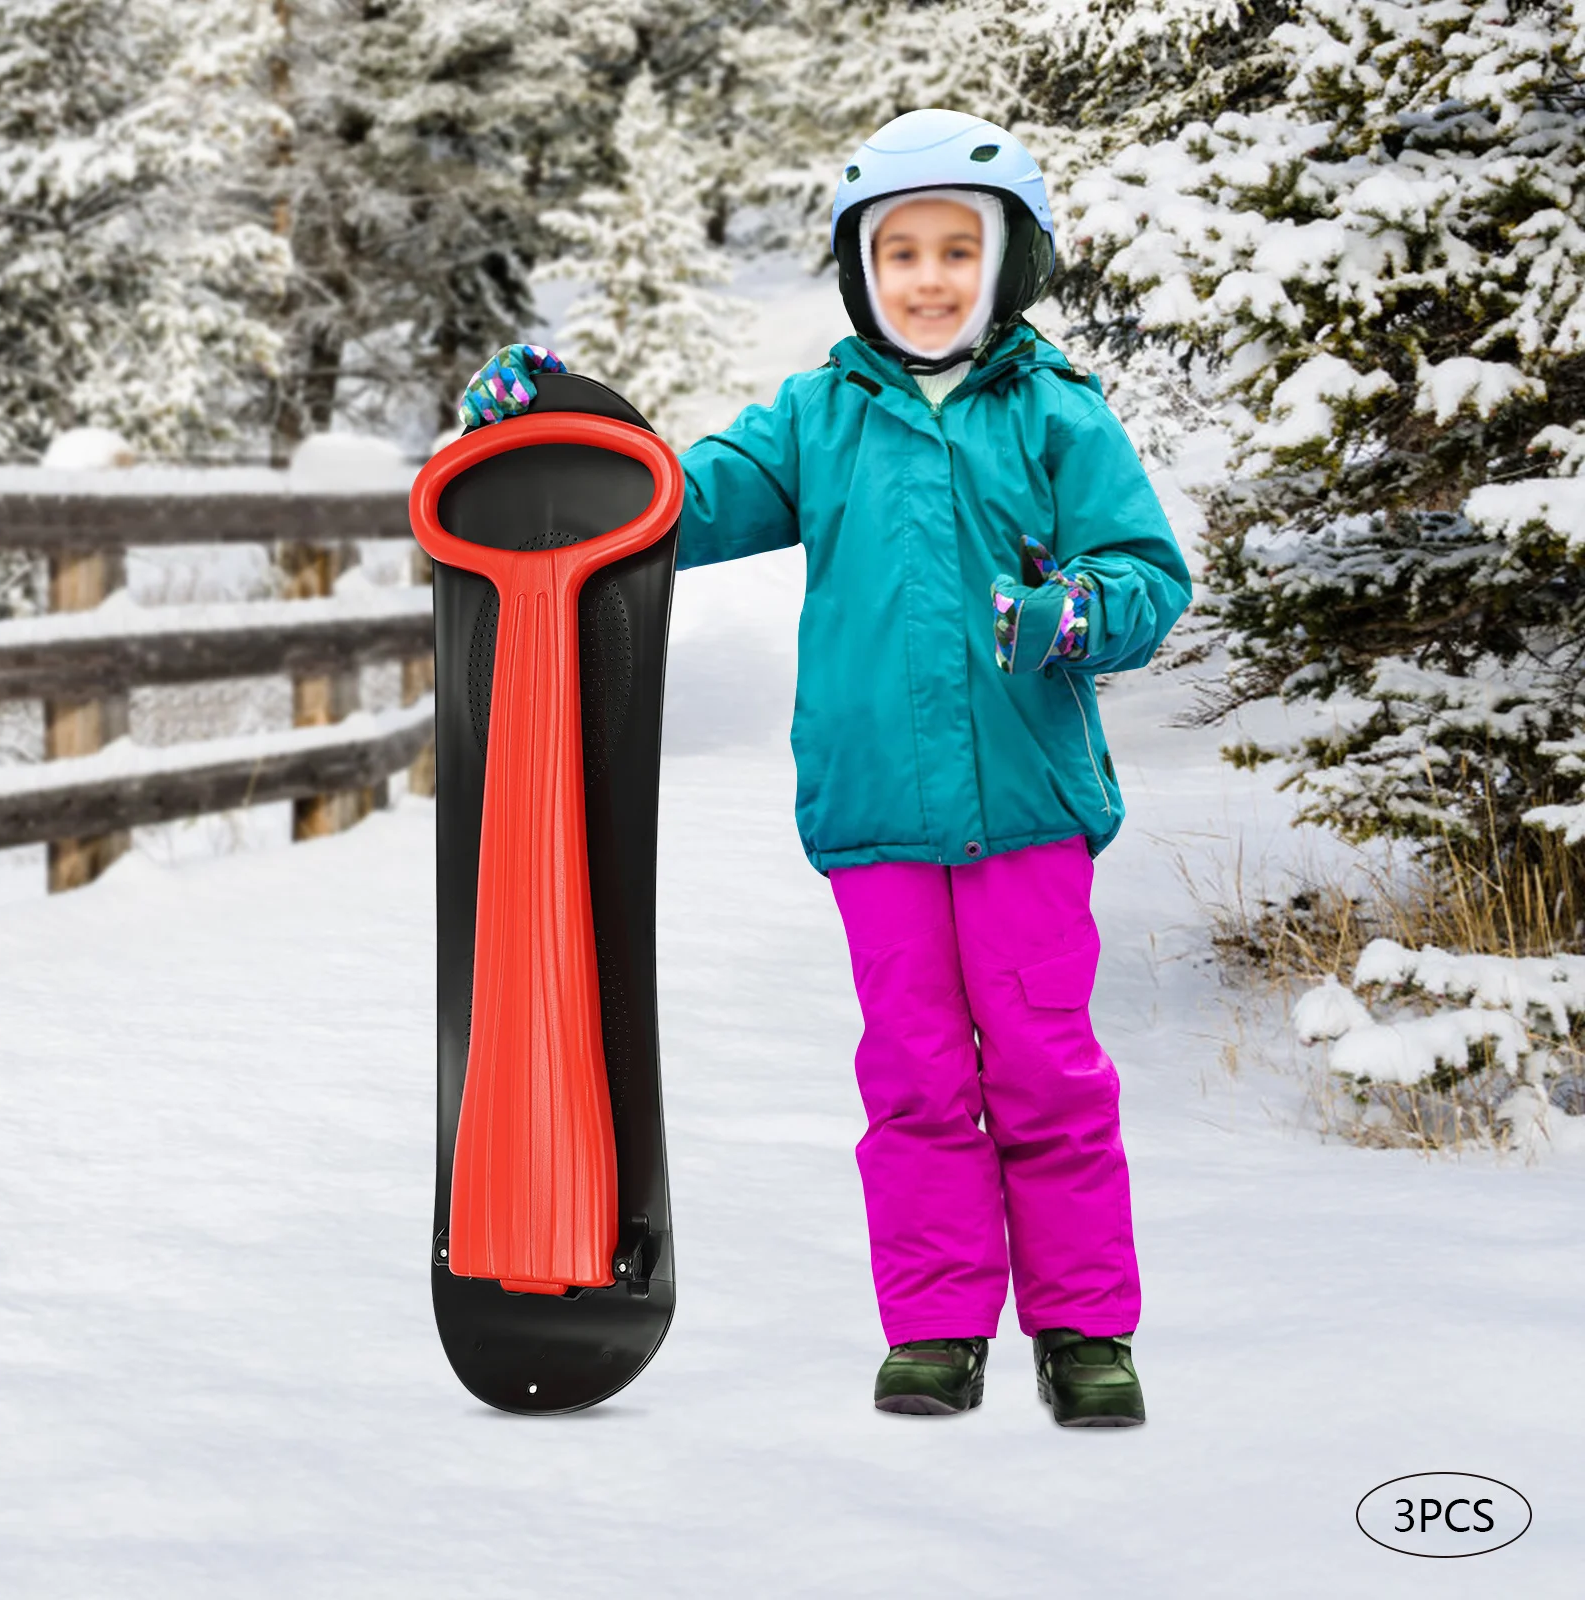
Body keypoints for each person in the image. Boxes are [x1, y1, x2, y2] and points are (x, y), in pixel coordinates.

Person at [457, 109, 1192, 1426]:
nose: (924, 278)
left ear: (1008, 264)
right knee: (913, 1077)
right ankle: (936, 1330)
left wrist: (1076, 610)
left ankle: (1084, 1330)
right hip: (875, 818)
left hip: (1027, 811)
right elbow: (664, 509)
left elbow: (1146, 572)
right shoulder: (817, 418)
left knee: (1044, 1072)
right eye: (895, 251)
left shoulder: (1058, 419)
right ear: (860, 271)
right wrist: (548, 427)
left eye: (954, 251)